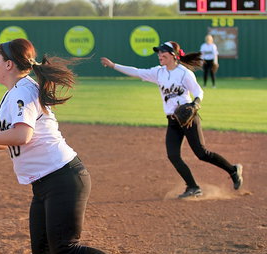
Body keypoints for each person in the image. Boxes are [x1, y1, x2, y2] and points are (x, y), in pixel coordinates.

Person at [0, 38, 152, 254]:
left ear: (8, 64)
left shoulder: (22, 92)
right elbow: (14, 142)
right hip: (46, 182)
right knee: (44, 252)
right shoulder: (15, 92)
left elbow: (22, 136)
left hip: (63, 178)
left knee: (64, 250)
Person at [100, 41, 243, 198]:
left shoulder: (184, 73)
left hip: (188, 119)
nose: (159, 55)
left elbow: (198, 92)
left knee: (202, 153)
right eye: (158, 53)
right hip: (173, 120)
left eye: (163, 53)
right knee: (173, 155)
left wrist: (195, 104)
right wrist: (114, 65)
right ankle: (193, 187)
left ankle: (233, 170)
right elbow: (137, 72)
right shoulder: (158, 72)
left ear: (173, 56)